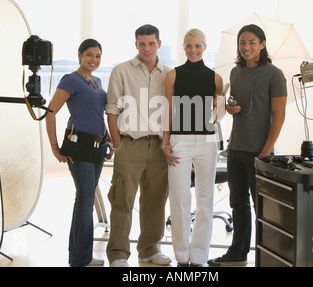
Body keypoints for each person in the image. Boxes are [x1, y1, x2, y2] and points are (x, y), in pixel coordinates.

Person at [208, 24, 287, 266]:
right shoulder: (235, 73)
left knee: (261, 206)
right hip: (236, 148)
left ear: (262, 44)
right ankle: (237, 253)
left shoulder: (274, 74)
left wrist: (265, 151)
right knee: (238, 203)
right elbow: (235, 107)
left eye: (252, 42)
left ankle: (269, 254)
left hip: (260, 151)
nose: (246, 47)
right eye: (242, 42)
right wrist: (231, 108)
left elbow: (279, 115)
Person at [105, 24, 172, 267]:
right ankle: (118, 255)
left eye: (151, 43)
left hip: (158, 146)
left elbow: (171, 112)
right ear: (136, 44)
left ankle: (149, 250)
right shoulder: (121, 71)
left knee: (155, 201)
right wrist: (118, 144)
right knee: (122, 200)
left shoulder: (169, 74)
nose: (146, 48)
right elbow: (112, 110)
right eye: (142, 44)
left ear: (159, 44)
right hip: (129, 144)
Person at [46, 39, 112, 267]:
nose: (94, 60)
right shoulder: (70, 80)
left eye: (98, 56)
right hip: (78, 145)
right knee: (85, 200)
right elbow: (50, 112)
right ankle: (81, 259)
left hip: (98, 145)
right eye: (89, 55)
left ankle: (77, 257)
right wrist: (55, 147)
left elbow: (97, 115)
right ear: (79, 55)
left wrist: (108, 140)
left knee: (84, 199)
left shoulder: (97, 81)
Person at [162, 28, 223, 267]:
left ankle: (198, 256)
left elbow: (217, 116)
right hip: (180, 140)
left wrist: (223, 105)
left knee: (205, 198)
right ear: (183, 48)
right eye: (189, 46)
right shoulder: (173, 75)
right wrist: (165, 142)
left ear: (205, 47)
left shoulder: (216, 78)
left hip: (207, 141)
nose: (193, 50)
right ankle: (182, 256)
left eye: (198, 46)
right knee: (179, 196)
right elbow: (168, 110)